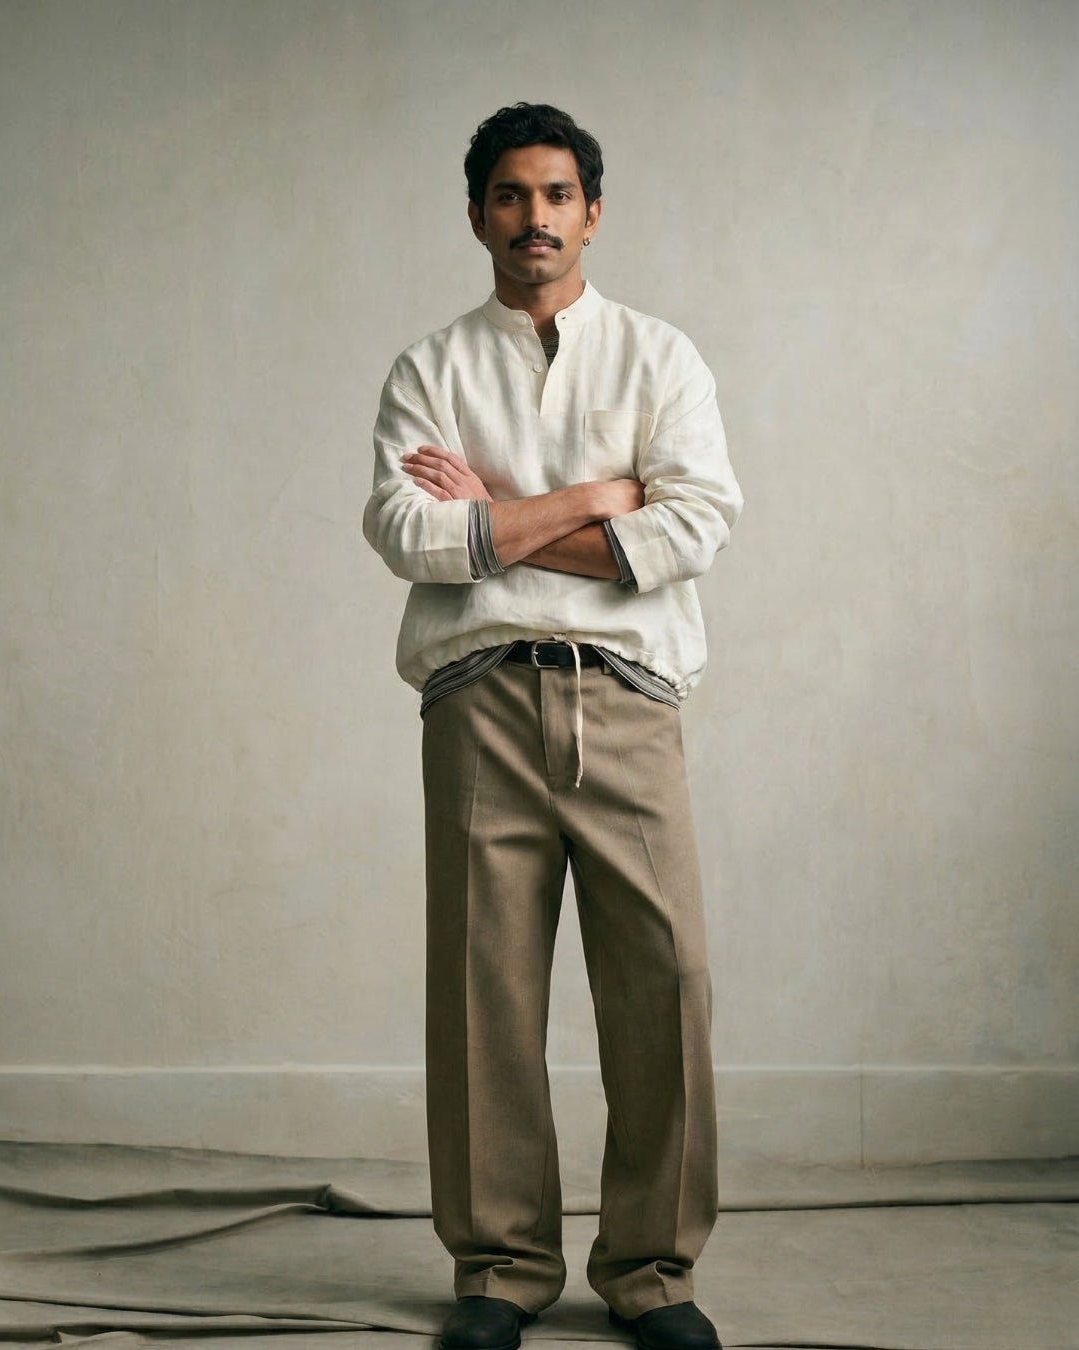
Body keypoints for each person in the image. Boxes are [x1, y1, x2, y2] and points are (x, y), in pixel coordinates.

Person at [363, 102, 743, 1350]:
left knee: (667, 983)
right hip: (479, 703)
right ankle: (500, 1272)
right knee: (486, 995)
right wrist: (595, 501)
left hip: (628, 701)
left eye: (559, 194)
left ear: (593, 211)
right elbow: (410, 535)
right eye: (512, 196)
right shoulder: (429, 370)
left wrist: (504, 520)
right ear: (477, 211)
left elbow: (694, 526)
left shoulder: (659, 356)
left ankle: (652, 1273)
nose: (536, 218)